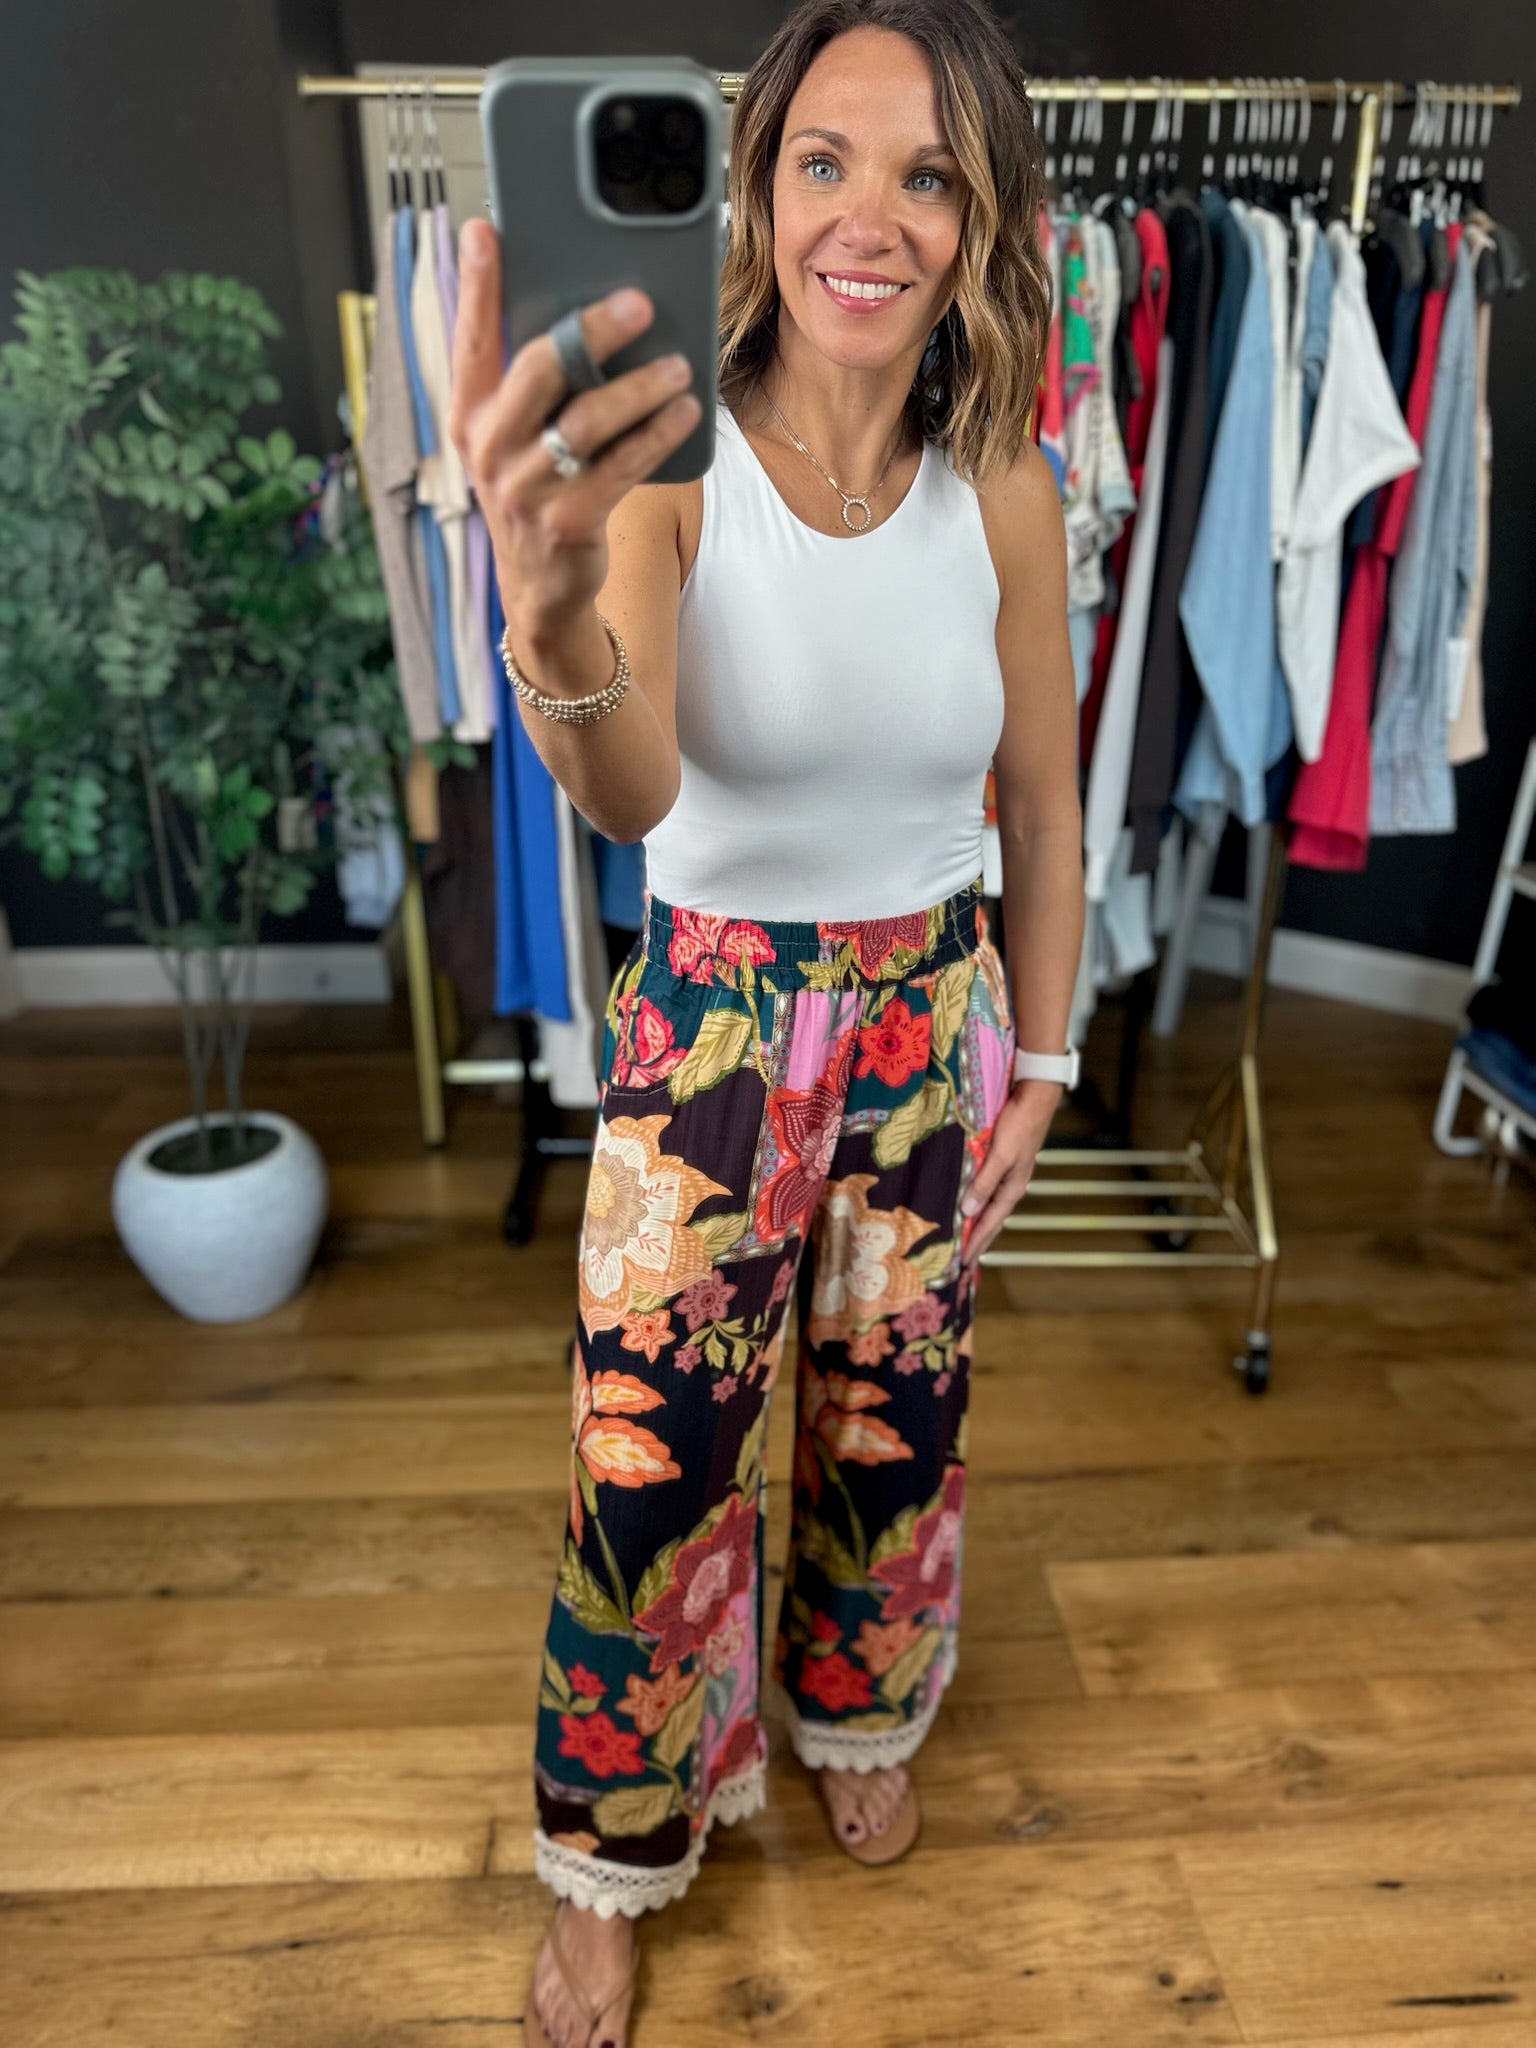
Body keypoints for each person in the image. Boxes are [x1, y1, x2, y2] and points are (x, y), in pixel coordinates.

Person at [448, 3, 1081, 2041]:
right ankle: (610, 1851)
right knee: (652, 1469)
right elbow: (633, 793)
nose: (868, 216)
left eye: (926, 172)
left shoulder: (1008, 485)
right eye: (824, 159)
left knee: (895, 1422)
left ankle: (854, 1702)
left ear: (981, 217)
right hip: (716, 1030)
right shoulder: (675, 471)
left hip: (932, 1019)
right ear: (757, 188)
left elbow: (1047, 801)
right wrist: (548, 617)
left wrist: (1046, 1057)